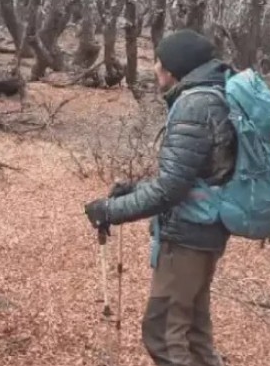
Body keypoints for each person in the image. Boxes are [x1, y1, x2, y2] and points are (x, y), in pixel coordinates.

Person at [83, 29, 237, 366]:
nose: (155, 68)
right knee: (195, 335)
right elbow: (189, 175)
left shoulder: (194, 105)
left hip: (189, 236)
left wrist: (110, 210)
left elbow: (171, 190)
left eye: (159, 61)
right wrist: (135, 190)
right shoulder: (211, 96)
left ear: (175, 68)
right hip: (206, 230)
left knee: (163, 333)